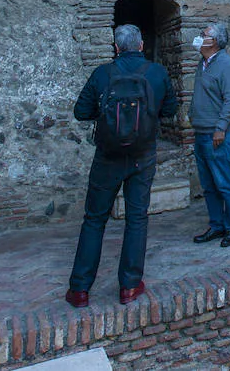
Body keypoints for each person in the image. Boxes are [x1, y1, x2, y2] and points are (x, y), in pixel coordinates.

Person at [65, 23, 176, 307]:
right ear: (140, 46)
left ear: (116, 47)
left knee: (94, 219)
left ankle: (79, 289)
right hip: (142, 155)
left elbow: (81, 112)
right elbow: (171, 110)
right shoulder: (157, 73)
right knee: (136, 219)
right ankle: (129, 286)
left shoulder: (102, 74)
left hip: (107, 157)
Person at [190, 21, 230, 247]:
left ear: (215, 41)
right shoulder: (202, 64)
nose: (199, 38)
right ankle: (216, 225)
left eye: (203, 35)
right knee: (209, 185)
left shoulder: (227, 65)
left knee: (224, 183)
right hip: (201, 132)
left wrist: (220, 127)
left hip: (218, 134)